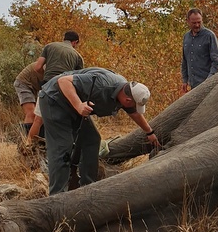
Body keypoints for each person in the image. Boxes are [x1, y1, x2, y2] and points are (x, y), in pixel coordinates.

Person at [39, 67, 160, 195]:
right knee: (62, 149)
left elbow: (134, 113)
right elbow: (63, 82)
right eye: (135, 105)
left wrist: (149, 132)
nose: (135, 108)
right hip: (54, 99)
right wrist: (79, 105)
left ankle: (88, 187)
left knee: (92, 140)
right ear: (128, 100)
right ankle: (57, 196)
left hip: (75, 106)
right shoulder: (102, 84)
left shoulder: (125, 93)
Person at [27, 30, 85, 142]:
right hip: (64, 90)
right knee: (64, 121)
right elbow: (79, 79)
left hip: (47, 87)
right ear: (75, 42)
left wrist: (47, 79)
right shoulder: (77, 56)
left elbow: (38, 67)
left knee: (38, 120)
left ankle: (28, 145)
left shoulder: (50, 46)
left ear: (64, 38)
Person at [181, 8, 218, 94]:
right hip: (193, 85)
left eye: (199, 22)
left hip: (207, 86)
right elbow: (185, 60)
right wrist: (185, 80)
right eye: (194, 23)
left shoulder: (209, 36)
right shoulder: (186, 37)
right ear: (188, 21)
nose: (197, 25)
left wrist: (209, 81)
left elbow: (216, 61)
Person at [13, 62, 43, 136]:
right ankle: (26, 140)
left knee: (38, 115)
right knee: (31, 113)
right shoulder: (53, 65)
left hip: (35, 86)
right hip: (24, 83)